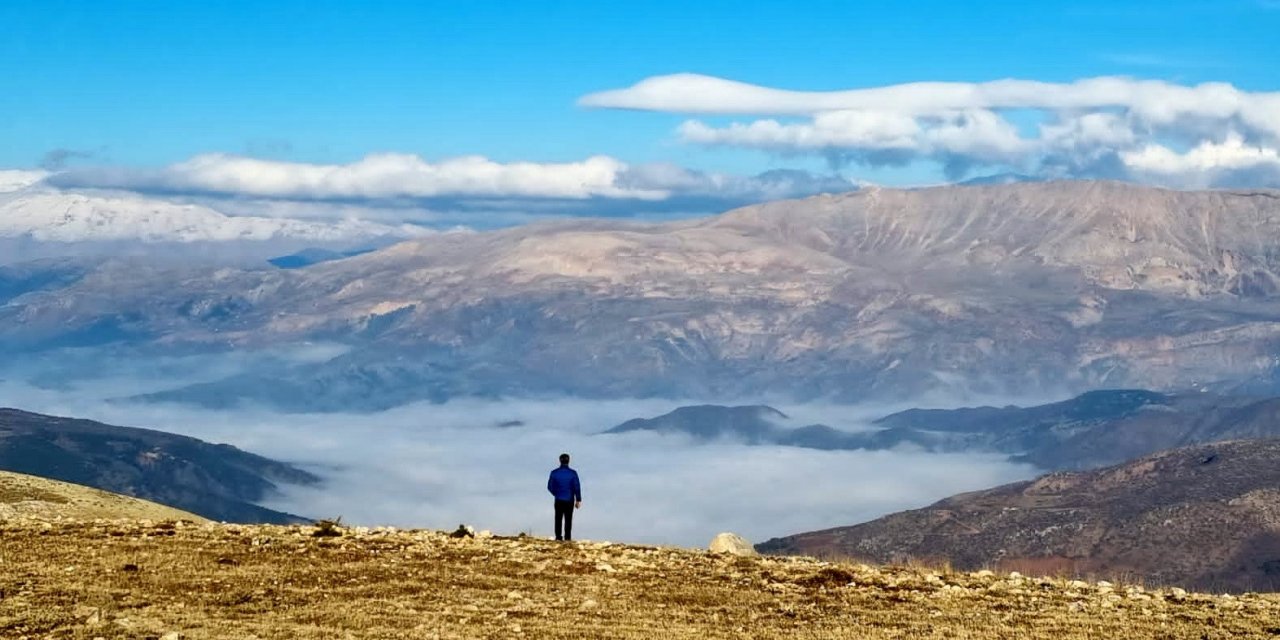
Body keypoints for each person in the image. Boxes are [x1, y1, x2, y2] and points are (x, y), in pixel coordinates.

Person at [546, 453, 582, 541]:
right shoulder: (573, 473)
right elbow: (576, 486)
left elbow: (549, 486)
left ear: (560, 461)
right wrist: (578, 499)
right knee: (568, 519)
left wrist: (556, 493)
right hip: (569, 499)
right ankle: (567, 537)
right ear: (568, 461)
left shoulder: (554, 473)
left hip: (558, 499)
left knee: (558, 518)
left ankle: (558, 537)